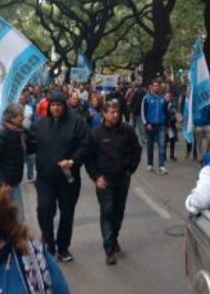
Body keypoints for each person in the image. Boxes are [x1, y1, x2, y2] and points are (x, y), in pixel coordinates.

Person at [29, 91, 90, 261]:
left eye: (59, 105)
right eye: (53, 105)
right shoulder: (40, 124)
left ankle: (63, 247)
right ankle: (48, 242)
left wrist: (73, 161)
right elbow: (29, 145)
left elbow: (86, 145)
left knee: (67, 213)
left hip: (68, 178)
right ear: (49, 106)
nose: (56, 108)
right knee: (44, 209)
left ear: (65, 106)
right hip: (45, 178)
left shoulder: (77, 122)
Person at [82, 100, 141, 265]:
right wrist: (96, 177)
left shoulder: (127, 131)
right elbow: (89, 158)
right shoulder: (95, 134)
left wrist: (131, 168)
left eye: (117, 112)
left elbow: (136, 149)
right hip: (104, 180)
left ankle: (114, 238)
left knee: (118, 212)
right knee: (107, 211)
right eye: (112, 112)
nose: (115, 115)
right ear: (104, 114)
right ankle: (108, 248)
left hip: (122, 178)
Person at [0, 103, 29, 221]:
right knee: (11, 219)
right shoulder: (1, 132)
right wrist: (2, 182)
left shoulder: (18, 131)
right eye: (20, 115)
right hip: (5, 184)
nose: (23, 118)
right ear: (12, 118)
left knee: (17, 218)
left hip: (13, 182)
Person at [142, 80, 169, 174]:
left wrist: (167, 124)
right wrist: (146, 123)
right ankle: (150, 164)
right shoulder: (146, 98)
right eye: (154, 86)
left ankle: (161, 166)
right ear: (151, 87)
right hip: (150, 125)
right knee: (150, 146)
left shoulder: (163, 98)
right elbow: (143, 112)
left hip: (161, 125)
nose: (156, 87)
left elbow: (166, 112)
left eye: (157, 86)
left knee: (162, 146)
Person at [164, 90, 179, 161]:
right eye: (166, 96)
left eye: (168, 96)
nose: (167, 97)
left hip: (171, 125)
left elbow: (176, 114)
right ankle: (163, 155)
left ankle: (172, 155)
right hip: (164, 125)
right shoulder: (162, 104)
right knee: (163, 141)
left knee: (172, 141)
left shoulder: (172, 105)